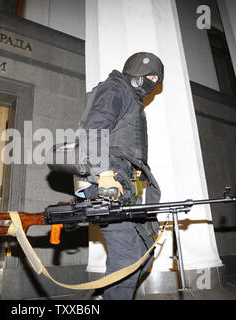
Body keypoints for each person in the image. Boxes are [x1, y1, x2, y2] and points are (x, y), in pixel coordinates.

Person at [77, 52, 164, 300]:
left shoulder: (130, 100)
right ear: (135, 72)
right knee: (127, 257)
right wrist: (104, 175)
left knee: (144, 256)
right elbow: (93, 130)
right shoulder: (115, 89)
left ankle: (102, 297)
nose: (153, 81)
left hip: (126, 189)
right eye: (150, 75)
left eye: (157, 78)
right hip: (108, 186)